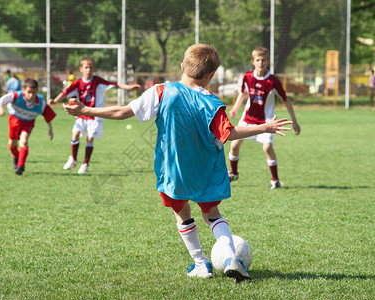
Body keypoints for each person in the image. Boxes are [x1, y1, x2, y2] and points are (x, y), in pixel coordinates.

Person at [63, 44, 292, 281]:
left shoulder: (161, 91)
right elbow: (229, 133)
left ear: (182, 65)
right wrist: (265, 127)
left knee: (182, 214)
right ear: (209, 75)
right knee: (212, 214)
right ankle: (231, 257)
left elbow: (123, 112)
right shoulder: (211, 102)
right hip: (205, 171)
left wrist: (85, 109)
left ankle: (201, 263)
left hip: (173, 172)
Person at [49, 57, 141, 174]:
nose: (89, 70)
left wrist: (130, 87)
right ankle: (73, 159)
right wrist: (55, 101)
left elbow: (115, 85)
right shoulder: (77, 83)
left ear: (94, 69)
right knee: (76, 133)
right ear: (81, 69)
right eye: (86, 67)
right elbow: (65, 93)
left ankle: (85, 164)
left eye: (91, 68)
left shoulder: (97, 81)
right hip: (81, 113)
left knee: (89, 138)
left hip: (95, 115)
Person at [227, 47, 301, 189]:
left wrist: (295, 122)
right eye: (258, 60)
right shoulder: (247, 77)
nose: (261, 62)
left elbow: (286, 100)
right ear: (253, 62)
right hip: (247, 118)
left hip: (266, 120)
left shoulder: (273, 81)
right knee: (234, 145)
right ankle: (234, 173)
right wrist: (235, 108)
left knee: (267, 148)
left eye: (263, 60)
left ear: (268, 62)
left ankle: (275, 180)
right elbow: (243, 93)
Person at [0, 78, 56, 175]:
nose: (31, 95)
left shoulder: (40, 102)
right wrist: (0, 108)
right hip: (15, 121)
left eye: (34, 93)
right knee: (12, 144)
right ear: (23, 90)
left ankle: (20, 166)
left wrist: (50, 128)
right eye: (29, 92)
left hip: (28, 123)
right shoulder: (15, 96)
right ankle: (16, 157)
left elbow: (47, 114)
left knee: (24, 141)